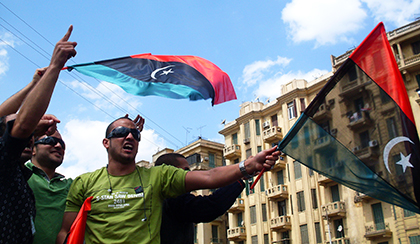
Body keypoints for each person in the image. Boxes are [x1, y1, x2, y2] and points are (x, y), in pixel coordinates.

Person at [56, 116, 280, 244]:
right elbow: (65, 233)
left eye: (135, 134)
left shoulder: (157, 176)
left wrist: (247, 166)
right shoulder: (84, 183)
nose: (130, 137)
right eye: (122, 132)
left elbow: (209, 177)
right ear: (106, 142)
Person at [0, 25, 77, 244]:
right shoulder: (4, 163)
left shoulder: (16, 175)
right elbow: (19, 125)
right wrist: (55, 66)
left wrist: (34, 84)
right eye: (49, 140)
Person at [155, 153, 245, 244]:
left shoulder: (154, 200)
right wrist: (239, 177)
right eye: (185, 171)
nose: (188, 175)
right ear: (171, 173)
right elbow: (211, 206)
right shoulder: (173, 199)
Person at [26, 130, 73, 244]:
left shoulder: (71, 186)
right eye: (50, 140)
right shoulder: (19, 174)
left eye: (62, 144)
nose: (58, 146)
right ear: (33, 149)